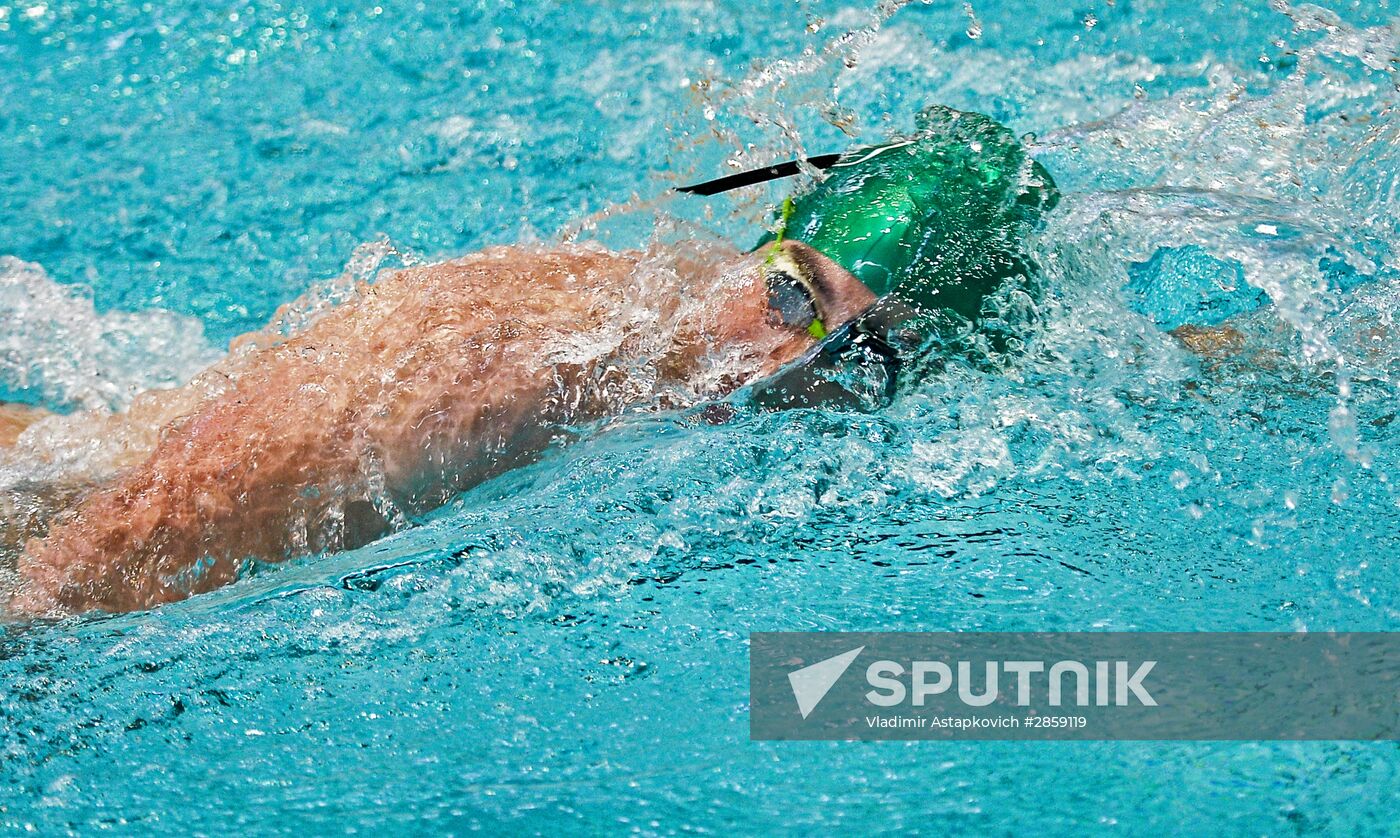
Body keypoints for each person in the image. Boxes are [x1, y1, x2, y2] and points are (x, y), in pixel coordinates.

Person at [3, 106, 1056, 615]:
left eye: (860, 359)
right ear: (764, 238)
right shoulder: (505, 372)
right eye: (792, 293)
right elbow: (106, 558)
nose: (773, 367)